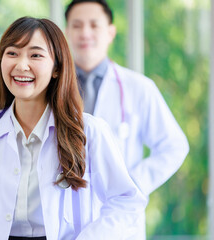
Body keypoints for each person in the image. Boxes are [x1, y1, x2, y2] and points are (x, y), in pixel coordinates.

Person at [0, 16, 147, 240]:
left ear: (56, 68)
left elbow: (126, 200)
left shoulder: (89, 131)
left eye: (36, 55)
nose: (21, 65)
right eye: (12, 53)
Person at [65, 0, 190, 238]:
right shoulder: (50, 89)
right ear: (66, 32)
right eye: (77, 26)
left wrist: (133, 183)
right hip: (66, 220)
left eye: (94, 25)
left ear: (111, 32)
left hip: (119, 225)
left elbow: (174, 146)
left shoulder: (139, 87)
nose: (85, 33)